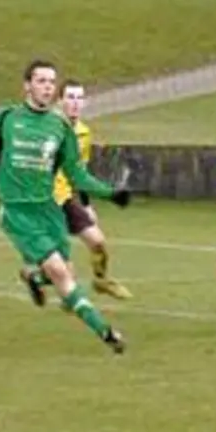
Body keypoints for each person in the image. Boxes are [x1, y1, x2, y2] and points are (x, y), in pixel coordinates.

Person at [0, 60, 131, 353]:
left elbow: (76, 175)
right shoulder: (7, 117)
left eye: (51, 81)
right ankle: (107, 333)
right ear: (27, 85)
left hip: (49, 210)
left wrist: (111, 194)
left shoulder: (60, 127)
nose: (47, 86)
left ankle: (33, 276)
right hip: (17, 211)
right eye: (41, 80)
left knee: (66, 273)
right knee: (61, 274)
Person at [53, 80, 130, 300]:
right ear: (60, 102)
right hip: (45, 201)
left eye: (79, 98)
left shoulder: (84, 133)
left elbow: (80, 172)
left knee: (98, 242)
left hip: (67, 198)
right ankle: (34, 275)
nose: (75, 103)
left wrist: (86, 205)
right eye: (70, 97)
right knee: (65, 274)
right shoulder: (49, 128)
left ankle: (101, 281)